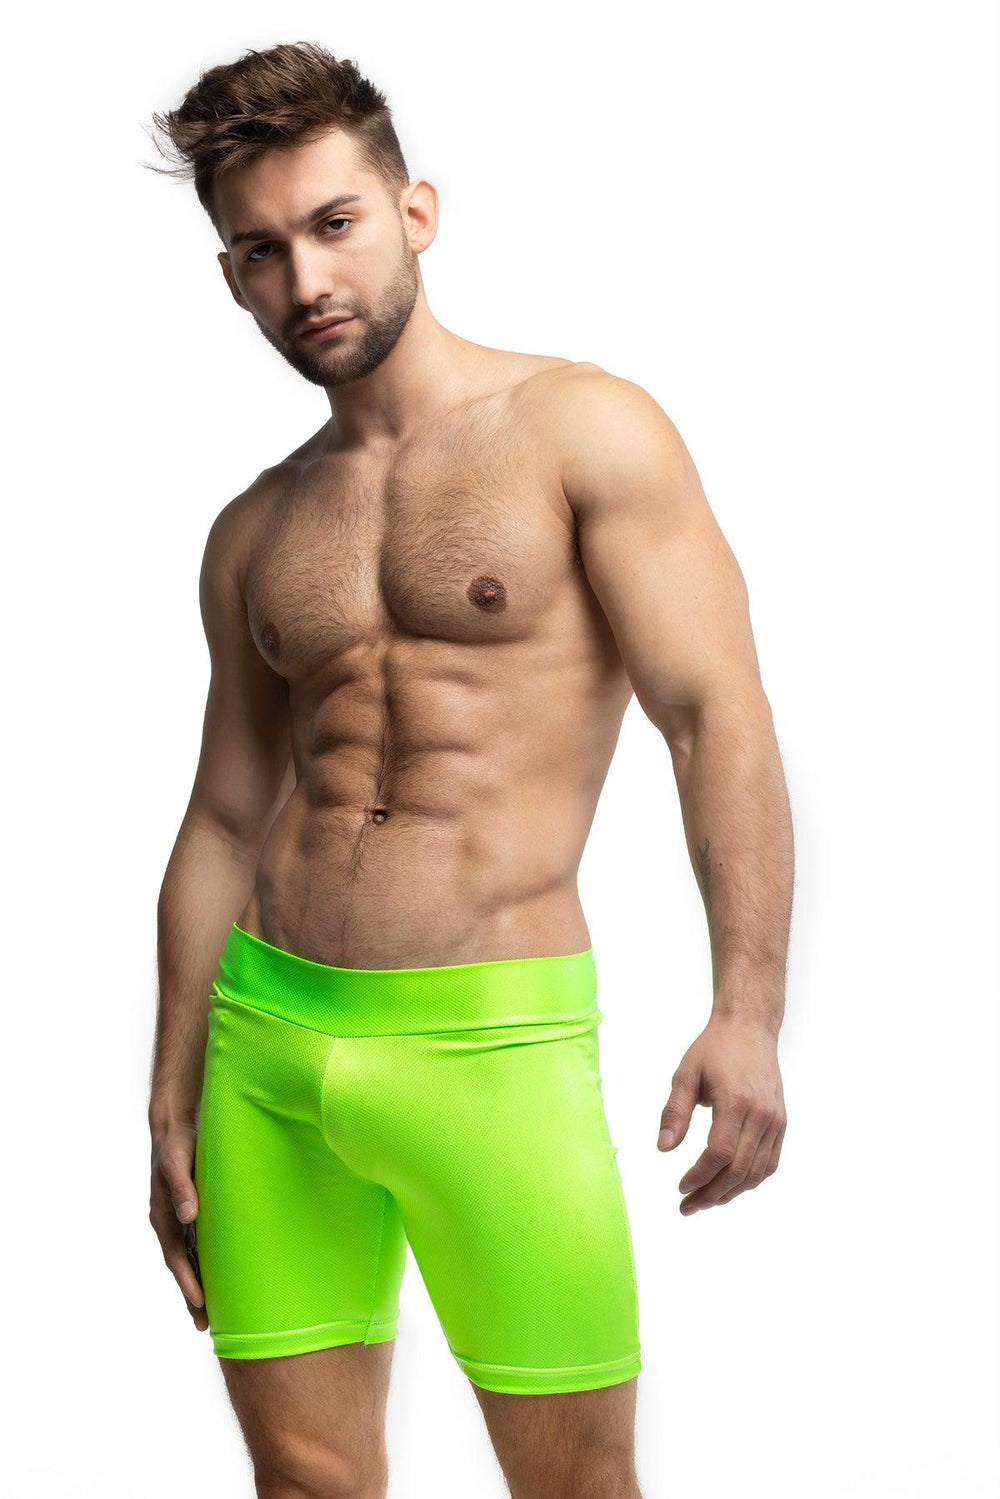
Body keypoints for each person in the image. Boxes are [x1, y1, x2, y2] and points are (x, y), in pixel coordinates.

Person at [145, 40, 793, 1499]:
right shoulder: (254, 528)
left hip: (490, 1045)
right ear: (232, 278)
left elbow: (714, 715)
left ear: (415, 212)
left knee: (575, 1487)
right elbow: (225, 815)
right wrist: (172, 1084)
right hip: (266, 1050)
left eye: (334, 224)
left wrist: (747, 1009)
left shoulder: (583, 429)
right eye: (262, 250)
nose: (308, 279)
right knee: (306, 1487)